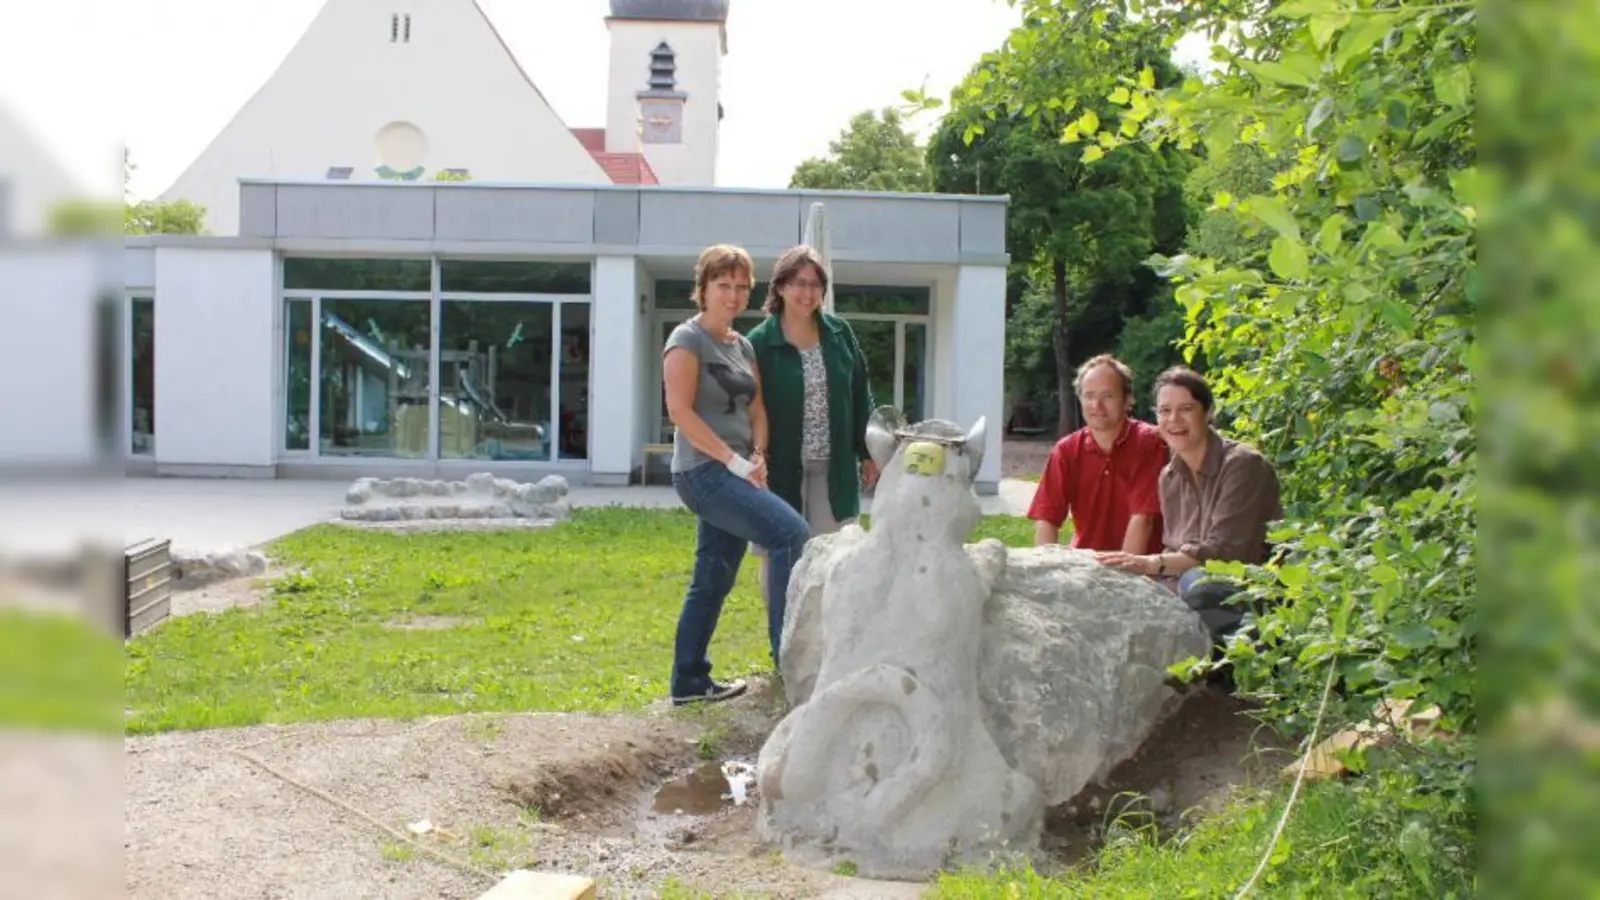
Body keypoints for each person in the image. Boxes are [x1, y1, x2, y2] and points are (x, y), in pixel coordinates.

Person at [662, 244, 811, 706]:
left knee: (714, 575)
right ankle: (788, 661)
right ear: (702, 289)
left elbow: (757, 409)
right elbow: (680, 413)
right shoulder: (686, 341)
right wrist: (733, 461)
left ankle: (689, 681)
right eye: (723, 285)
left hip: (738, 469)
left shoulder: (741, 345)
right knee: (791, 532)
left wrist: (759, 454)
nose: (732, 295)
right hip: (703, 472)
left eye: (741, 287)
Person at [1097, 366, 1284, 641]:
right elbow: (1175, 548)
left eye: (1185, 409)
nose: (1174, 420)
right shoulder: (1169, 477)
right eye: (1164, 411)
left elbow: (1223, 552)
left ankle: (1252, 669)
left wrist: (1150, 563)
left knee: (1196, 582)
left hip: (1251, 592)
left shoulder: (1243, 465)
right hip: (1192, 588)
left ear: (1207, 413)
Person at [747, 245, 879, 595]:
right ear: (780, 287)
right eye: (799, 283)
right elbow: (747, 407)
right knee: (780, 553)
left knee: (836, 554)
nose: (808, 293)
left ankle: (825, 638)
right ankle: (781, 633)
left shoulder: (839, 334)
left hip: (832, 465)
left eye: (816, 284)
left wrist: (868, 452)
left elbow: (860, 392)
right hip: (779, 467)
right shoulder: (758, 343)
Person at [1026, 354, 1168, 553]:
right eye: (1089, 396)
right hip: (1087, 564)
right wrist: (1047, 570)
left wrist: (1124, 577)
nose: (1097, 406)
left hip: (1144, 566)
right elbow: (1047, 519)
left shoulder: (1150, 443)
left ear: (1128, 400)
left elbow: (1143, 519)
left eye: (1107, 396)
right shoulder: (1066, 451)